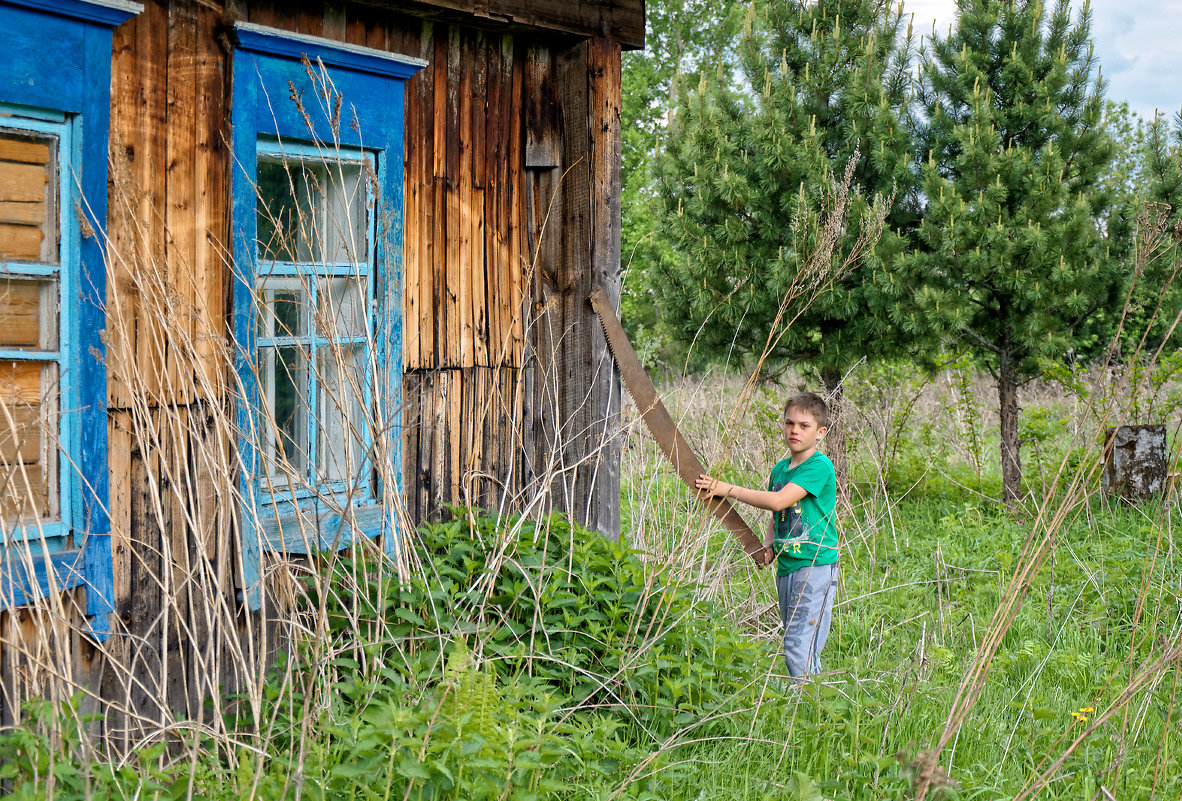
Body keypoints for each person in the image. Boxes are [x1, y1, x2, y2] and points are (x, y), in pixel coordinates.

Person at [695, 391, 839, 678]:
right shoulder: (780, 470)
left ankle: (804, 704)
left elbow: (778, 501)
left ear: (821, 432)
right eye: (789, 423)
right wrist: (770, 545)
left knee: (798, 645)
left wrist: (727, 490)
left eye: (804, 425)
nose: (794, 430)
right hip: (788, 566)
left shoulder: (819, 466)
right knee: (798, 640)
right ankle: (809, 701)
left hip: (814, 565)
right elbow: (777, 516)